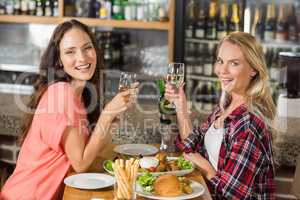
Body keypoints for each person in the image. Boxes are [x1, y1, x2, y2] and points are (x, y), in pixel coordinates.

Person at [1, 19, 137, 199]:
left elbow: (87, 154)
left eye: (87, 47)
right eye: (70, 52)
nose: (82, 57)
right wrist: (107, 114)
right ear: (59, 60)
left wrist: (114, 118)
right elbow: (81, 163)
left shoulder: (78, 95)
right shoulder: (61, 95)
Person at [165, 32, 276, 199]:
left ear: (254, 69)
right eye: (220, 61)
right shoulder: (226, 107)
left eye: (234, 63)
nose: (222, 70)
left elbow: (233, 194)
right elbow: (192, 147)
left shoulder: (249, 125)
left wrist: (205, 167)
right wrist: (181, 106)